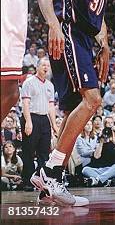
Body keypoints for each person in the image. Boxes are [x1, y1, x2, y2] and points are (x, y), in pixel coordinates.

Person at [30, 0, 110, 207]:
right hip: (70, 33)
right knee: (92, 101)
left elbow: (100, 18)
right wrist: (53, 25)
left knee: (71, 113)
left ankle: (48, 182)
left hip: (87, 40)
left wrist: (107, 46)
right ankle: (51, 171)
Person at [19, 58, 58, 192]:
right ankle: (27, 181)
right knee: (29, 152)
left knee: (44, 153)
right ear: (37, 67)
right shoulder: (29, 82)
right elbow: (25, 104)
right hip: (31, 117)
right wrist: (28, 122)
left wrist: (54, 125)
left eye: (48, 65)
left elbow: (51, 106)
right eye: (43, 65)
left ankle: (41, 181)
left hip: (44, 119)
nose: (46, 67)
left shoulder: (50, 85)